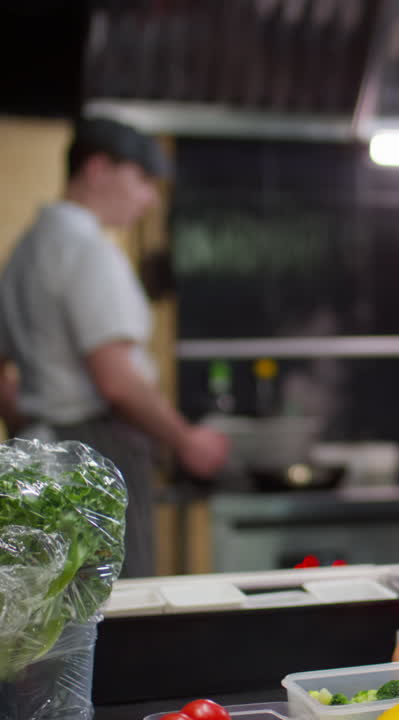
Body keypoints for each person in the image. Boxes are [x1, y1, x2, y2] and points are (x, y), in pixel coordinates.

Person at [0, 116, 229, 578]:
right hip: (99, 451)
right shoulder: (88, 251)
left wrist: (33, 424)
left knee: (53, 610)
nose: (148, 200)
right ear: (98, 168)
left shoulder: (24, 251)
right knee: (115, 602)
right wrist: (186, 440)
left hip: (34, 455)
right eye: (143, 179)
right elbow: (116, 380)